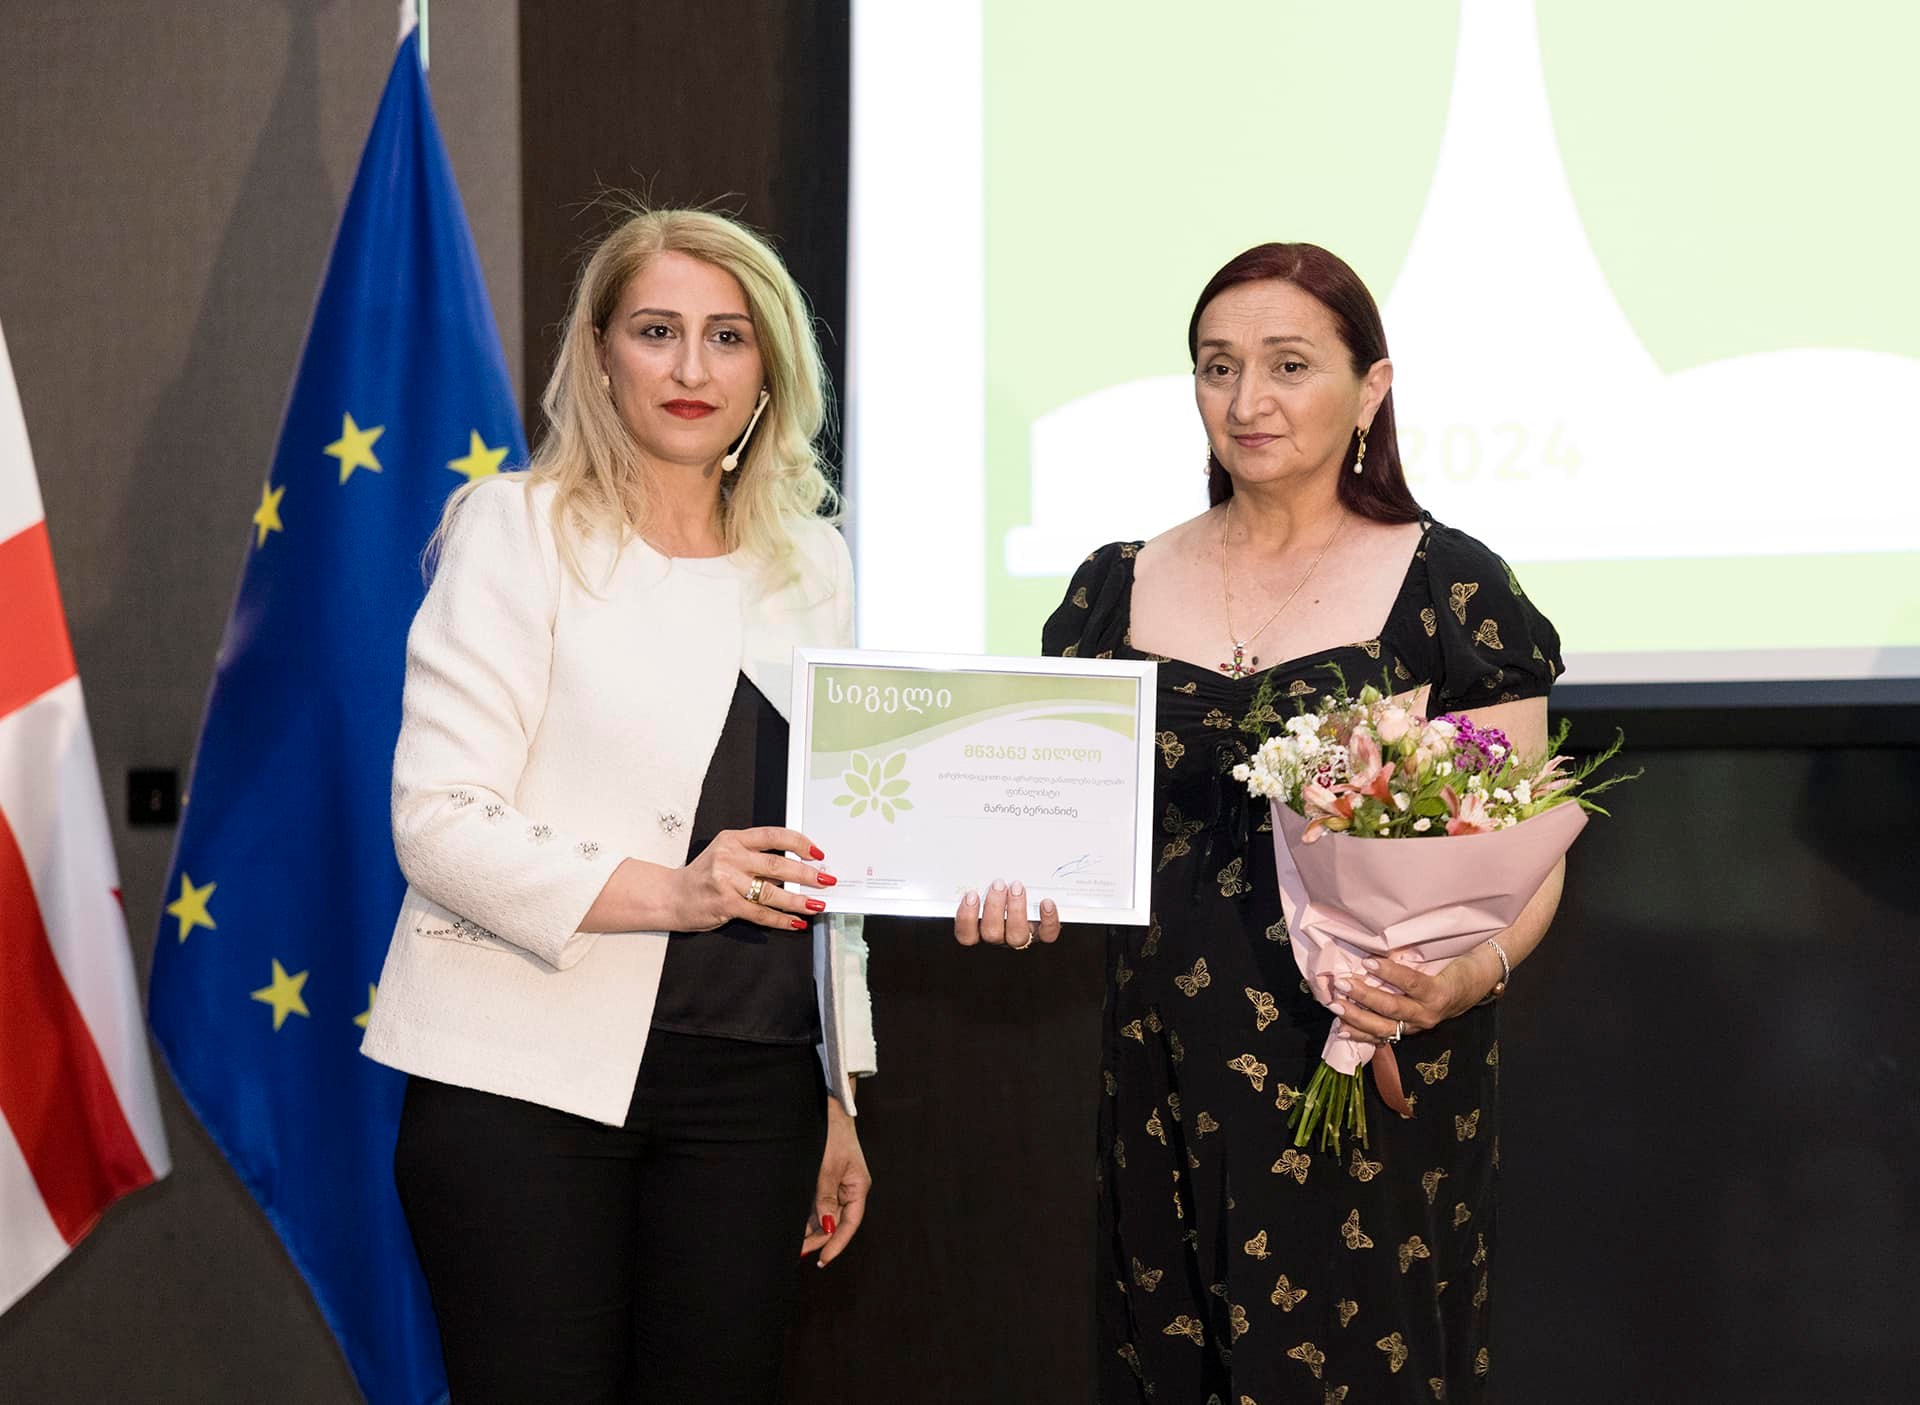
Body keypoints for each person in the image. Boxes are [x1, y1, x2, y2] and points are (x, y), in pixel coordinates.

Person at [958, 242, 1564, 1402]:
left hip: (1373, 1066)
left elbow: (1526, 858)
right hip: (1164, 1074)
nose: (1247, 401)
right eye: (1216, 366)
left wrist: (1458, 980)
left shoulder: (1452, 588)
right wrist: (1012, 886)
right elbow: (1052, 827)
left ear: (1370, 388)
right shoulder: (1111, 589)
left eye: (1289, 364)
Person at [359, 206, 876, 1404]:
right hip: (520, 1077)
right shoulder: (517, 528)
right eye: (656, 331)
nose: (693, 367)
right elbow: (437, 817)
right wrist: (675, 893)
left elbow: (828, 847)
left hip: (756, 1089)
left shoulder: (815, 563)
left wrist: (838, 1092)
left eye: (728, 336)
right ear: (599, 356)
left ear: (769, 369)